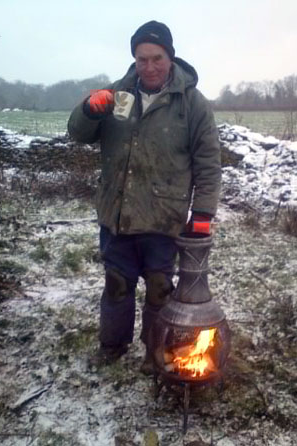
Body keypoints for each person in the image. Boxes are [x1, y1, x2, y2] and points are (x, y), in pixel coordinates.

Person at [67, 20, 221, 371]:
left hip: (163, 217)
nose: (149, 67)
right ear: (134, 60)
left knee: (159, 289)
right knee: (116, 285)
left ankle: (155, 351)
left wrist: (202, 214)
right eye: (142, 59)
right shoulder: (115, 95)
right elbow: (77, 133)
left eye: (157, 58)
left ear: (170, 57)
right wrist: (89, 110)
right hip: (118, 214)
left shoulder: (192, 103)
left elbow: (208, 163)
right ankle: (112, 346)